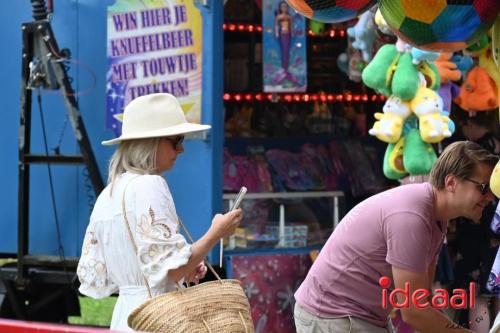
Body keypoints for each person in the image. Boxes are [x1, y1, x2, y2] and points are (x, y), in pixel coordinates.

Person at [76, 93, 243, 331]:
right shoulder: (149, 185)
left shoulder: (110, 192)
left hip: (126, 315)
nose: (182, 149)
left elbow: (111, 273)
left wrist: (187, 261)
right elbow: (171, 272)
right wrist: (216, 233)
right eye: (176, 140)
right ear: (152, 142)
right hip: (159, 316)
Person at [294, 141, 498, 333]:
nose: (491, 197)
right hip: (333, 315)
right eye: (483, 187)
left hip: (353, 315)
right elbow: (414, 312)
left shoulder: (435, 215)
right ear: (451, 182)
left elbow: (420, 300)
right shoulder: (413, 216)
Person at [275, 1, 293, 72]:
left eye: (285, 6)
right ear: (280, 8)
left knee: (287, 50)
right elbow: (276, 25)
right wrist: (276, 33)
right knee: (283, 50)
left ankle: (286, 66)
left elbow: (291, 26)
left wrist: (292, 33)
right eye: (282, 6)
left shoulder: (289, 17)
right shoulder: (278, 17)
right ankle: (283, 66)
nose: (284, 8)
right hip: (282, 34)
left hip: (287, 34)